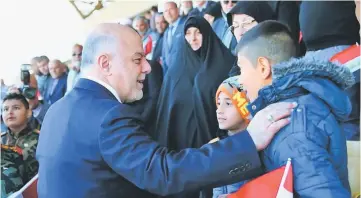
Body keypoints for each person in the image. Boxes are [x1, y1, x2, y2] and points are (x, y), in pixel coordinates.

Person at [36, 23, 296, 198]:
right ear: (105, 64)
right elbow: (164, 172)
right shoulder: (108, 117)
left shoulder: (56, 111)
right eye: (137, 59)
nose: (147, 69)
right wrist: (249, 142)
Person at [237, 20, 352, 197]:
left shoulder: (291, 126)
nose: (240, 81)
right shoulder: (299, 105)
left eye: (241, 69)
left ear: (263, 67)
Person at [155, 15, 236, 198]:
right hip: (186, 149)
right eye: (188, 33)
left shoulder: (224, 64)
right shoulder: (175, 70)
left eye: (198, 32)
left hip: (220, 145)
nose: (193, 38)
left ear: (206, 34)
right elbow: (168, 111)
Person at [210, 76, 251, 198]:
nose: (219, 110)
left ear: (245, 108)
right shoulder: (213, 147)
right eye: (218, 103)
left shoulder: (257, 147)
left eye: (228, 103)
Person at [226, 1, 274, 77]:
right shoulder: (237, 68)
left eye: (247, 23)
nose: (240, 32)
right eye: (235, 25)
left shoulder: (280, 64)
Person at [1, 93, 39, 183]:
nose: (10, 112)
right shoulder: (1, 141)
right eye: (5, 109)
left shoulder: (41, 139)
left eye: (16, 108)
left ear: (28, 112)